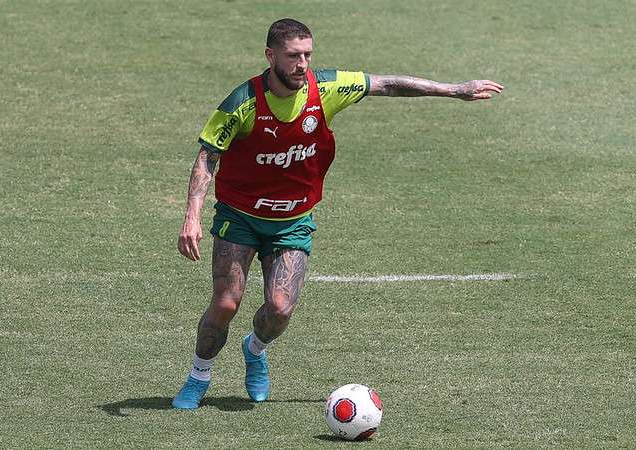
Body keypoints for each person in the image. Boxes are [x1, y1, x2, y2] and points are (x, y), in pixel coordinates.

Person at [173, 18, 503, 409]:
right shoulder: (242, 102)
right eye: (294, 56)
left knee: (279, 309)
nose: (302, 64)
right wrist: (192, 217)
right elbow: (208, 156)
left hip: (293, 220)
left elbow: (387, 84)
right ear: (270, 55)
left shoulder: (325, 88)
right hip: (240, 216)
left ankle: (255, 349)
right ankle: (199, 376)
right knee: (226, 303)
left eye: (308, 55)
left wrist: (455, 90)